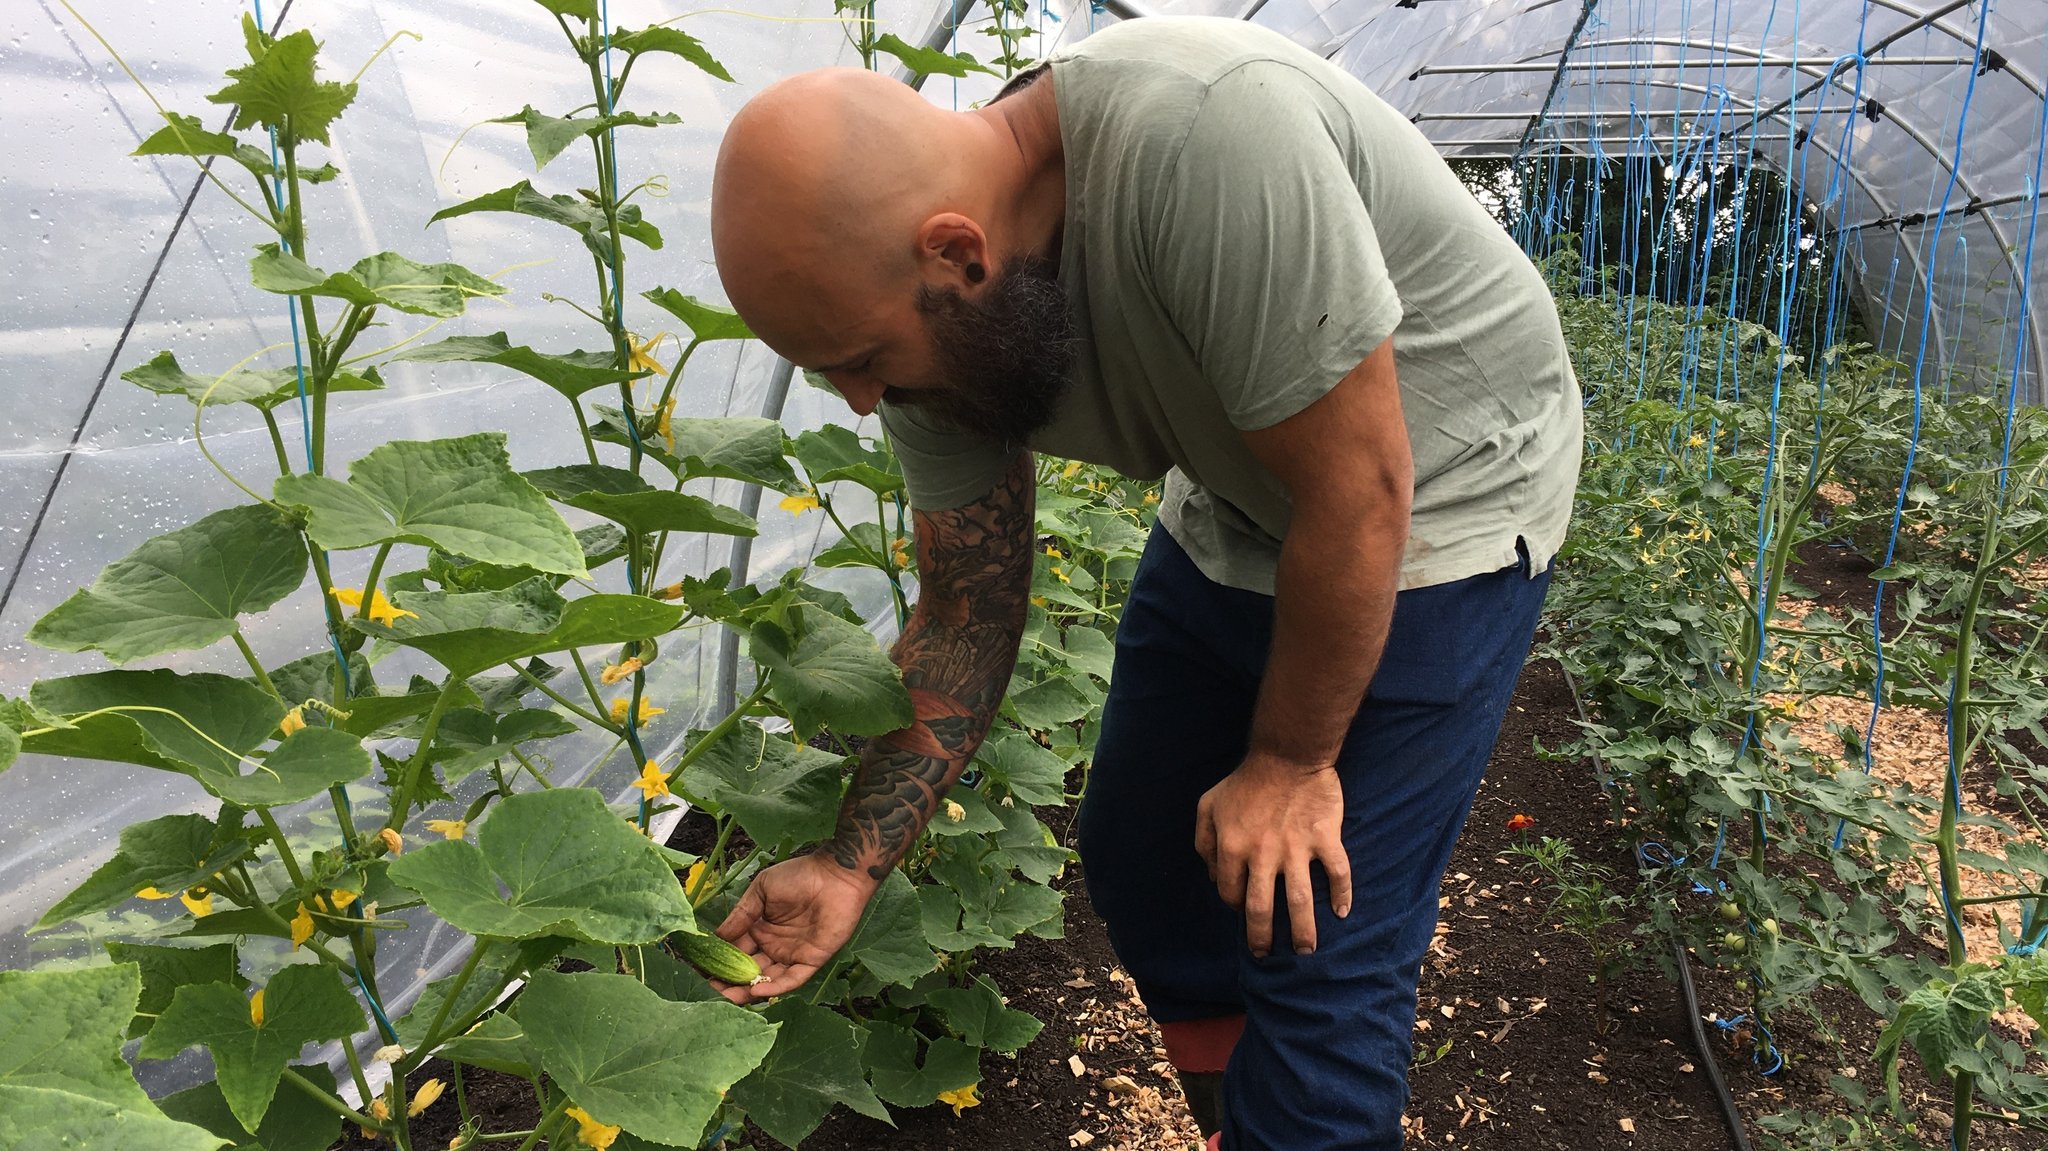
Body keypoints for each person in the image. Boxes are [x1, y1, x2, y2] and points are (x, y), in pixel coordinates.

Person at [705, 15, 1581, 1150]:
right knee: (1140, 846)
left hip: (1440, 490)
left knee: (1317, 936)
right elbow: (966, 607)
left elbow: (1361, 496)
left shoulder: (1211, 141)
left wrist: (1290, 762)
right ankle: (1238, 1120)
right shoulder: (933, 339)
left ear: (957, 256)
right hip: (1248, 484)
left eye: (863, 362)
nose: (860, 402)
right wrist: (845, 863)